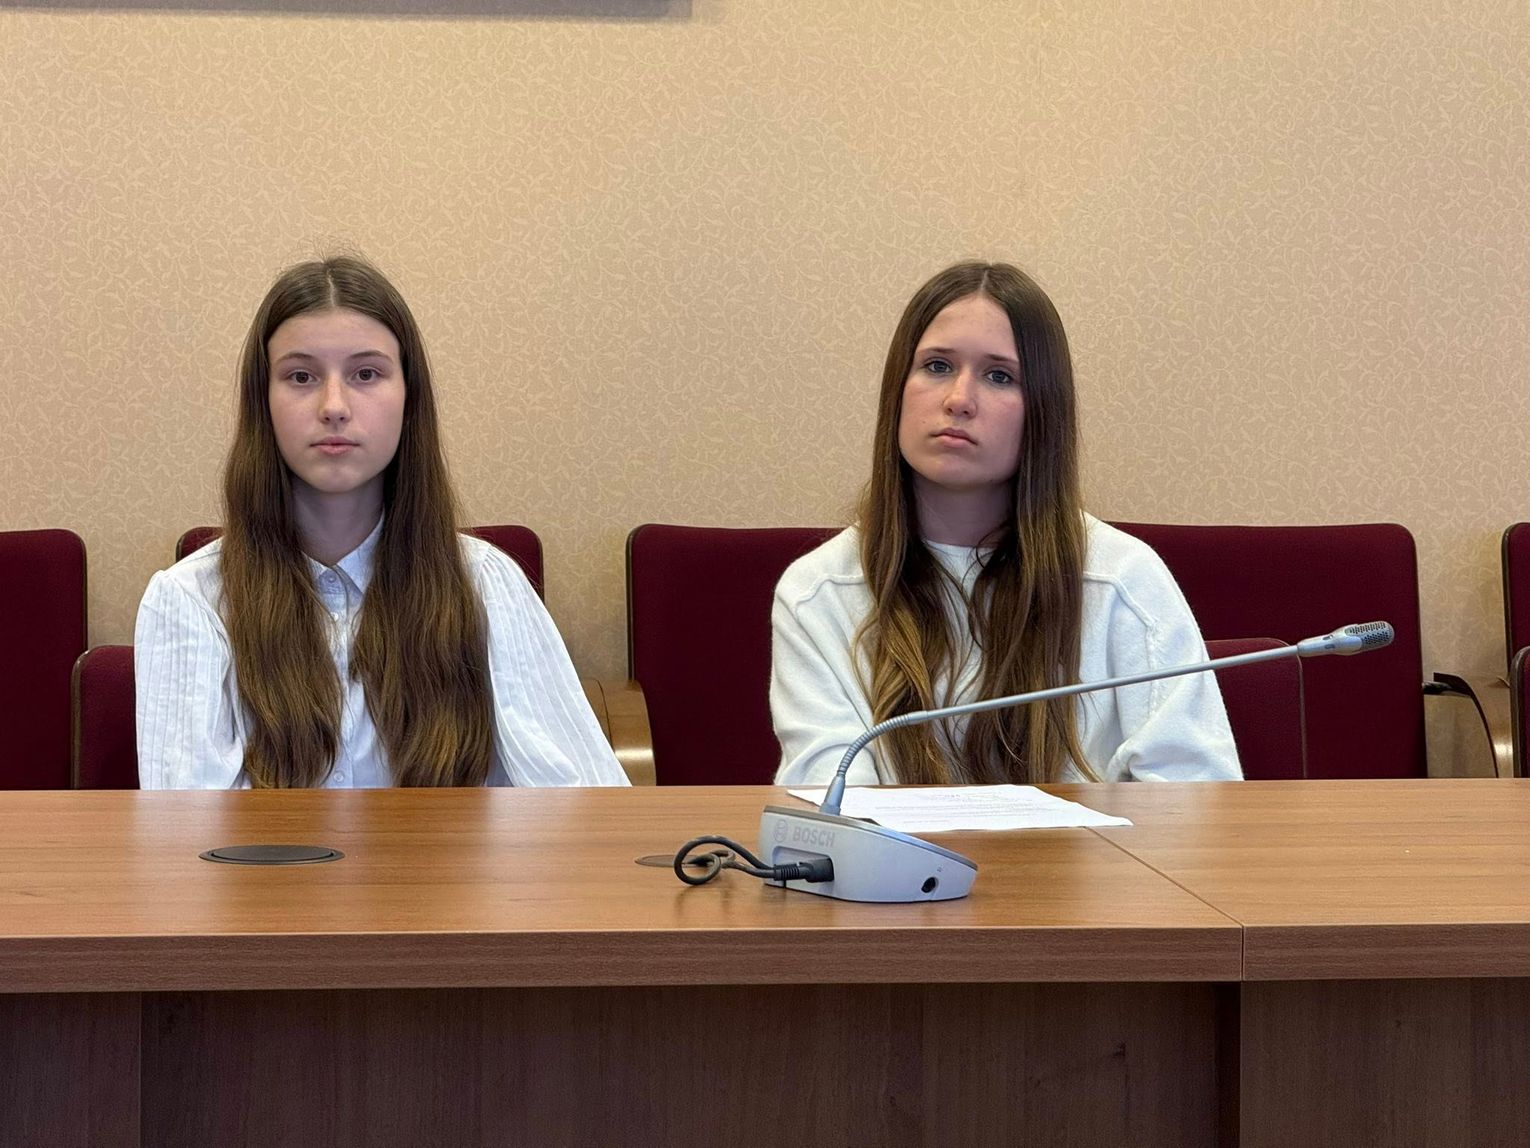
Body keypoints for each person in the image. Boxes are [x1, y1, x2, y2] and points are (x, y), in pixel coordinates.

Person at [135, 255, 628, 789]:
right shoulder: (192, 602)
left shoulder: (486, 586)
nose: (334, 406)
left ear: (408, 397)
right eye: (301, 376)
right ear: (263, 402)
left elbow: (587, 808)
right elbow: (187, 830)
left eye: (366, 374)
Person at [771, 261, 1241, 787]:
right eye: (937, 366)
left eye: (999, 376)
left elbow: (1197, 798)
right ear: (897, 389)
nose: (958, 400)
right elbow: (830, 807)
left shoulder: (1123, 581)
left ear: (1043, 409)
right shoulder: (816, 591)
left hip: (1089, 847)